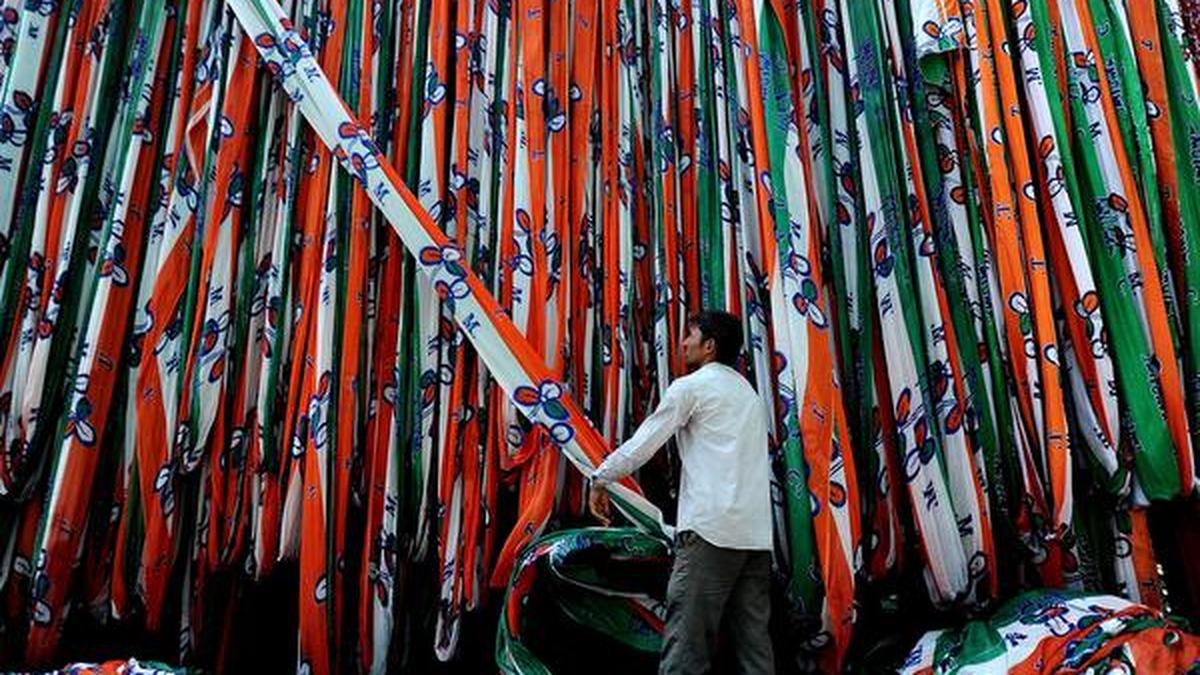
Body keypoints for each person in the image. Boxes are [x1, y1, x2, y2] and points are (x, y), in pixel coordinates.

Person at [588, 310, 775, 675]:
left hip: (710, 533)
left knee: (686, 647)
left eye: (690, 335)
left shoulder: (691, 388)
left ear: (709, 346)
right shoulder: (748, 394)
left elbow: (644, 443)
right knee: (755, 651)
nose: (683, 343)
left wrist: (601, 477)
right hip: (754, 538)